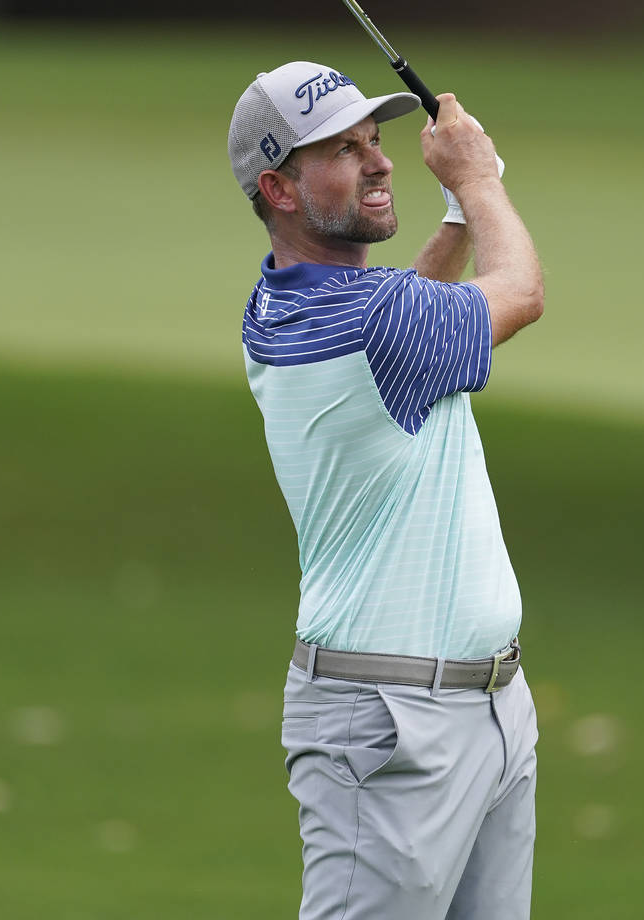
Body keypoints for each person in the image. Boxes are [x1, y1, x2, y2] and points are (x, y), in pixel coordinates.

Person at [228, 60, 544, 920]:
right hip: (391, 728)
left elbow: (408, 306)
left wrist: (451, 216)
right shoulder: (368, 323)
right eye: (341, 150)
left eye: (375, 140)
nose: (380, 161)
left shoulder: (288, 301)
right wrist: (477, 183)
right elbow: (521, 293)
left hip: (485, 710)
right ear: (279, 188)